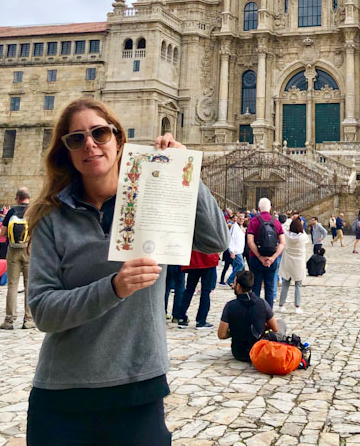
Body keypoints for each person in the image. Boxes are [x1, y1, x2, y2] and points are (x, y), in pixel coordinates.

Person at [25, 98, 228, 446]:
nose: (90, 144)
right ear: (67, 152)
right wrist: (114, 287)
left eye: (99, 133)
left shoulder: (154, 198)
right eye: (76, 139)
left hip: (139, 384)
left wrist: (184, 172)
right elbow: (43, 310)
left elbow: (214, 241)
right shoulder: (51, 219)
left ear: (119, 140)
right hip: (64, 392)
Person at [218, 270, 283, 362]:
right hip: (258, 351)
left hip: (239, 352)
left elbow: (221, 334)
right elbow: (275, 328)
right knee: (281, 323)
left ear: (239, 286)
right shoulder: (263, 303)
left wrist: (235, 331)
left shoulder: (230, 306)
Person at [0, 187, 33, 330]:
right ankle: (29, 319)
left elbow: (4, 232)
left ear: (17, 198)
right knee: (29, 285)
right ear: (28, 198)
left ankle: (9, 320)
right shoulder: (34, 210)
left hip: (13, 250)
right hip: (29, 250)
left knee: (12, 285)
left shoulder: (11, 211)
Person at [246, 197, 285, 308]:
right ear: (270, 208)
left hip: (255, 258)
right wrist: (273, 257)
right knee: (269, 288)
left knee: (256, 287)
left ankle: (255, 314)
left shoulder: (253, 221)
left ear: (258, 208)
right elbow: (282, 243)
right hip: (271, 259)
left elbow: (250, 241)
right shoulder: (276, 223)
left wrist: (259, 256)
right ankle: (269, 315)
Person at [177, 249, 219, 328]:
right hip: (208, 258)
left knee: (189, 290)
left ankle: (181, 317)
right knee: (205, 292)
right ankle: (201, 320)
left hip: (194, 259)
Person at [278, 216, 309, 314]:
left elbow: (284, 227)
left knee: (286, 284)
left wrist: (291, 220)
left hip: (288, 261)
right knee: (298, 285)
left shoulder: (286, 235)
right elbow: (305, 236)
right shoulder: (303, 237)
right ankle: (297, 306)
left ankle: (281, 305)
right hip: (298, 263)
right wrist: (301, 225)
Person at [226, 212, 246, 287]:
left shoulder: (240, 227)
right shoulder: (234, 227)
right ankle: (230, 280)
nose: (241, 220)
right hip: (236, 251)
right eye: (240, 218)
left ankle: (235, 283)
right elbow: (231, 239)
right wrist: (232, 251)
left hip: (239, 250)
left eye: (242, 219)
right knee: (241, 265)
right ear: (237, 218)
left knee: (236, 267)